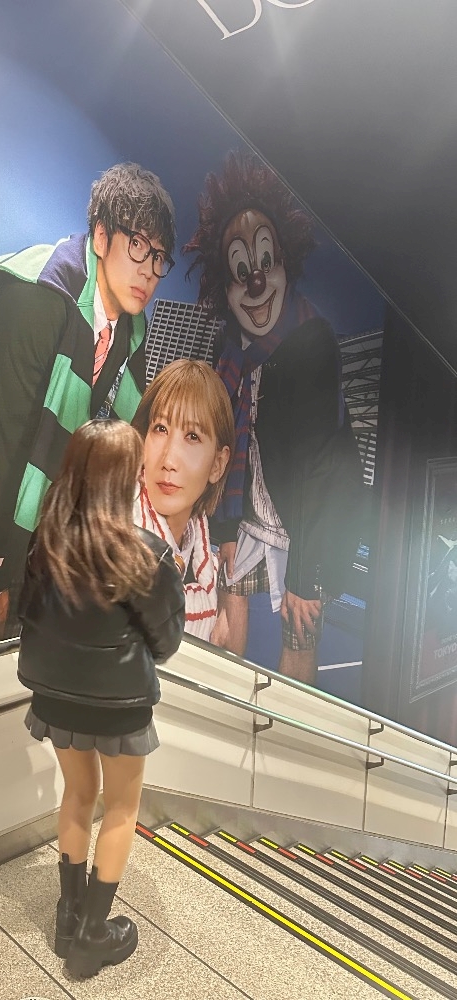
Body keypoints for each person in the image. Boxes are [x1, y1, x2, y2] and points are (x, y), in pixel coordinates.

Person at [0, 162, 177, 642]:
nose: (148, 269)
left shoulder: (127, 327)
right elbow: (10, 448)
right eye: (138, 244)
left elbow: (100, 442)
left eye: (159, 257)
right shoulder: (45, 297)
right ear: (101, 237)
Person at [184, 151, 364, 683]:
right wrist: (224, 528)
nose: (257, 282)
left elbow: (322, 468)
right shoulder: (227, 346)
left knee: (299, 636)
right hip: (248, 510)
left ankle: (284, 731)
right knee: (225, 624)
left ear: (285, 262)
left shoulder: (313, 339)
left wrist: (306, 576)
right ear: (225, 283)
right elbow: (221, 443)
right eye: (242, 271)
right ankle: (217, 717)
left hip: (308, 519)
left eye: (266, 262)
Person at [17, 420, 184, 979]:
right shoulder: (148, 555)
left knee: (77, 794)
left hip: (54, 698)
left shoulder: (44, 543)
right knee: (120, 807)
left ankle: (67, 918)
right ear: (126, 476)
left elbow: (26, 615)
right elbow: (166, 642)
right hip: (120, 705)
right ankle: (92, 935)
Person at [132, 359, 233, 641]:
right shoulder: (108, 542)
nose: (169, 460)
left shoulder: (205, 565)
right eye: (160, 429)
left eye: (192, 436)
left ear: (218, 464)